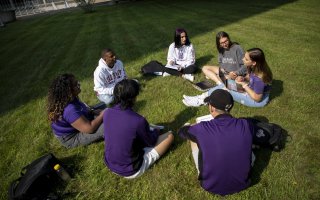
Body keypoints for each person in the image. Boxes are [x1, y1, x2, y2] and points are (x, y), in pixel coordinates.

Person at [178, 89, 254, 196]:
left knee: (194, 139)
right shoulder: (245, 124)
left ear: (212, 107)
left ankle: (203, 171)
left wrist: (188, 125)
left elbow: (181, 132)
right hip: (243, 182)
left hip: (211, 185)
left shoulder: (202, 128)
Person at [103, 79, 174, 178]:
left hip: (109, 163)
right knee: (170, 136)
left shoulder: (107, 112)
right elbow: (151, 142)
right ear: (133, 98)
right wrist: (156, 131)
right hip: (130, 169)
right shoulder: (138, 120)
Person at [183, 48, 272, 108]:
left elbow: (257, 98)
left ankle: (201, 101)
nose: (243, 60)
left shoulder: (260, 78)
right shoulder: (254, 67)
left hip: (256, 101)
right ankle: (202, 97)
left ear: (254, 63)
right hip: (250, 90)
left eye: (246, 59)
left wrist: (244, 85)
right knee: (227, 83)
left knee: (226, 90)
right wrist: (243, 79)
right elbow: (249, 78)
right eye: (244, 57)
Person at [48, 74, 105, 148]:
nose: (79, 84)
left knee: (106, 107)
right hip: (72, 137)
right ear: (68, 91)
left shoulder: (69, 99)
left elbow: (82, 109)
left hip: (80, 123)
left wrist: (93, 111)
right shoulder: (70, 109)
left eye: (77, 82)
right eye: (75, 84)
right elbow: (90, 128)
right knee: (107, 125)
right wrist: (102, 114)